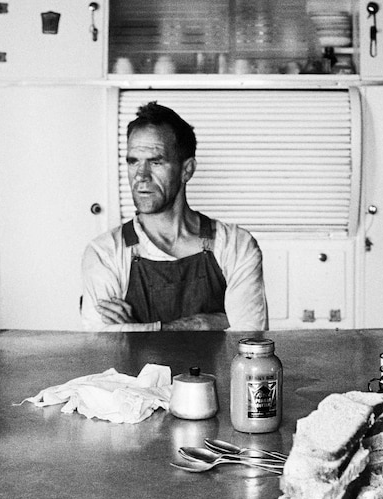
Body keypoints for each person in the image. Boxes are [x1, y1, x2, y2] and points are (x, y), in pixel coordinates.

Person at [81, 101, 268, 331]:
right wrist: (204, 323)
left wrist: (136, 331)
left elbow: (250, 338)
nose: (141, 176)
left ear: (187, 170)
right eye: (133, 162)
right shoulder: (104, 252)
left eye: (156, 162)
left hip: (217, 369)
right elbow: (102, 341)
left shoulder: (236, 245)